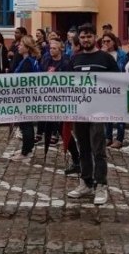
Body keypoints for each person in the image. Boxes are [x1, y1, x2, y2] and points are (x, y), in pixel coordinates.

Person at [67, 23, 119, 205]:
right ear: (78, 39)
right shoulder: (74, 60)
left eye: (89, 36)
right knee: (83, 150)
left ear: (94, 37)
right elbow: (64, 84)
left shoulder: (105, 59)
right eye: (82, 37)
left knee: (98, 150)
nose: (86, 40)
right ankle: (86, 182)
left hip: (99, 112)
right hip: (79, 112)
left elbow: (120, 83)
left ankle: (101, 185)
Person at [40, 39, 78, 173]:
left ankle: (77, 159)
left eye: (54, 48)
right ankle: (76, 159)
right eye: (50, 48)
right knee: (55, 129)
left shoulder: (67, 62)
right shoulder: (46, 60)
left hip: (63, 101)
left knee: (64, 130)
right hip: (49, 100)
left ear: (60, 49)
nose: (52, 50)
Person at [10, 35, 41, 161]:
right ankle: (27, 149)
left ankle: (25, 151)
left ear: (27, 48)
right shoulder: (28, 60)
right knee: (25, 125)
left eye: (21, 45)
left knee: (26, 125)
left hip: (25, 98)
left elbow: (24, 81)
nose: (18, 46)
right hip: (26, 97)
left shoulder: (28, 62)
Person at [100, 32, 126, 148]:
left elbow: (122, 70)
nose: (106, 43)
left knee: (120, 114)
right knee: (107, 113)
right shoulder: (100, 54)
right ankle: (108, 137)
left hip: (119, 86)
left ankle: (119, 138)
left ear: (114, 42)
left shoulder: (121, 55)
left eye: (108, 41)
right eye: (104, 41)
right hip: (106, 87)